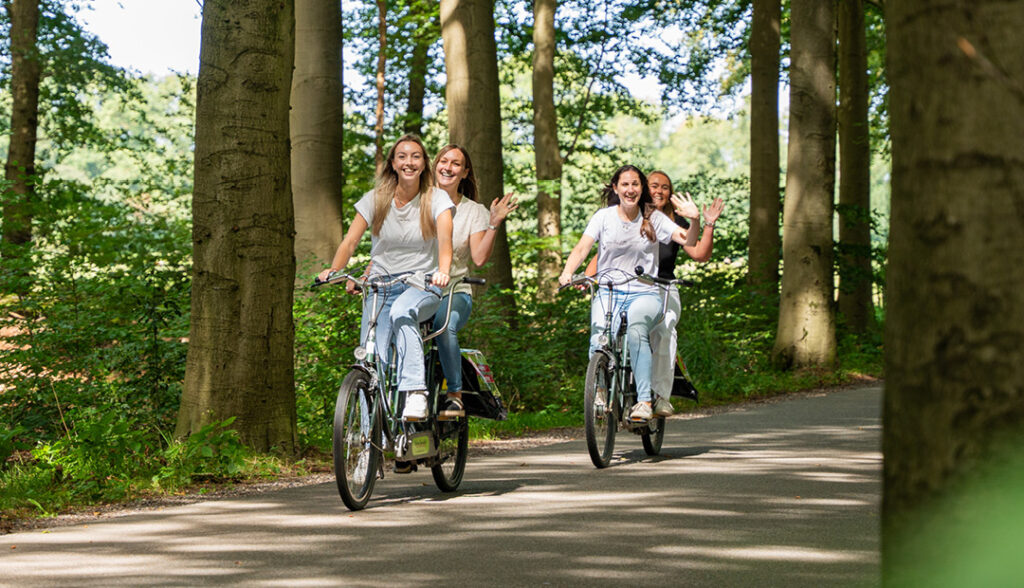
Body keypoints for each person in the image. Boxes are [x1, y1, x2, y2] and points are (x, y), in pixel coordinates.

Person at [318, 134, 454, 422]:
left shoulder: (436, 198)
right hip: (380, 286)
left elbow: (445, 241)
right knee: (373, 362)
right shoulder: (376, 200)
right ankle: (368, 445)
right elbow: (350, 242)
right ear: (393, 163)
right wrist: (335, 270)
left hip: (422, 285)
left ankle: (416, 391)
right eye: (402, 156)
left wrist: (443, 270)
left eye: (416, 156)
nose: (409, 162)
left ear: (423, 163)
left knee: (403, 313)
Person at [559, 165, 699, 422]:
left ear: (641, 189)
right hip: (609, 291)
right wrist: (568, 272)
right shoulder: (603, 217)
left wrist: (696, 220)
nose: (630, 189)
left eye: (635, 184)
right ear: (615, 188)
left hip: (644, 292)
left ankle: (644, 401)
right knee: (599, 336)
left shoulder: (654, 218)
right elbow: (582, 249)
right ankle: (599, 392)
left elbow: (689, 241)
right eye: (625, 184)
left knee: (636, 332)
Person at [430, 145, 518, 420]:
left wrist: (493, 223)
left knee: (443, 327)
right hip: (416, 290)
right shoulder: (417, 202)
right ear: (434, 166)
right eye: (443, 161)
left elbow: (479, 258)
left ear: (465, 172)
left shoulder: (473, 211)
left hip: (454, 290)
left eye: (456, 163)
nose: (448, 167)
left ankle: (455, 395)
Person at [646, 171, 724, 417]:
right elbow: (605, 249)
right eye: (654, 185)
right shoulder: (629, 215)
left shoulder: (674, 222)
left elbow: (700, 253)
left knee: (665, 328)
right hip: (632, 286)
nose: (659, 191)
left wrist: (703, 222)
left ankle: (660, 397)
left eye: (665, 187)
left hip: (663, 288)